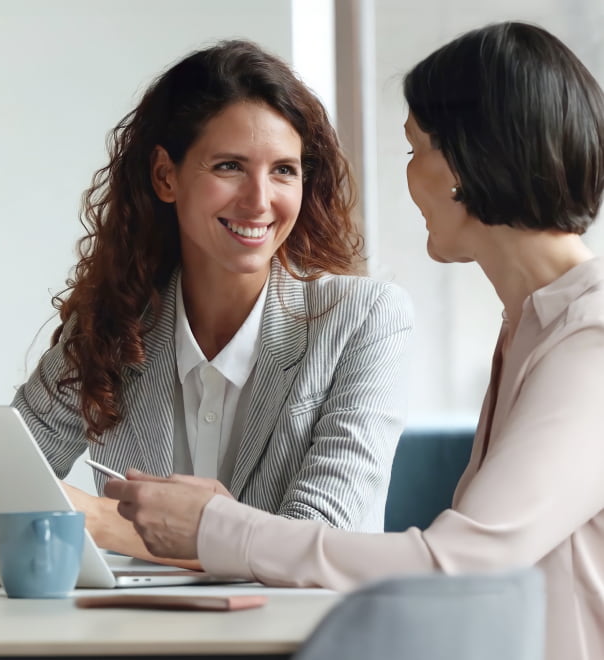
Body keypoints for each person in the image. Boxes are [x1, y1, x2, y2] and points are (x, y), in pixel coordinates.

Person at [104, 22, 604, 660]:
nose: (408, 179)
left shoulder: (590, 338)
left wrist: (215, 528)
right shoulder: (532, 327)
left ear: (464, 163)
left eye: (413, 151)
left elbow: (462, 567)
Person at [12, 39, 414, 562]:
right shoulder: (110, 325)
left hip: (306, 639)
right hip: (140, 636)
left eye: (284, 170)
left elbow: (313, 544)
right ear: (165, 176)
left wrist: (98, 520)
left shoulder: (366, 319)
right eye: (229, 166)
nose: (259, 199)